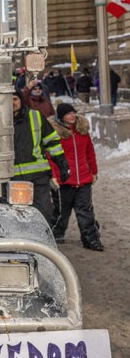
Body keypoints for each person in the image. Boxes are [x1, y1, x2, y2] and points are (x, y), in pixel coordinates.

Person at [48, 104, 103, 251]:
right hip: (64, 180)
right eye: (68, 114)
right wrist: (54, 176)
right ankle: (54, 234)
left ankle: (91, 239)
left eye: (73, 113)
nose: (72, 116)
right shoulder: (55, 134)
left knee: (85, 210)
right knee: (61, 211)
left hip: (83, 179)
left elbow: (90, 152)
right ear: (61, 117)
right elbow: (50, 157)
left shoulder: (82, 131)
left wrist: (94, 172)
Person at [12, 91, 69, 222]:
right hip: (11, 177)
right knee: (14, 215)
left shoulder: (35, 116)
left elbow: (52, 141)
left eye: (15, 99)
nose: (12, 103)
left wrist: (62, 164)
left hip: (38, 176)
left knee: (44, 212)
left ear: (21, 100)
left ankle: (41, 239)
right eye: (8, 100)